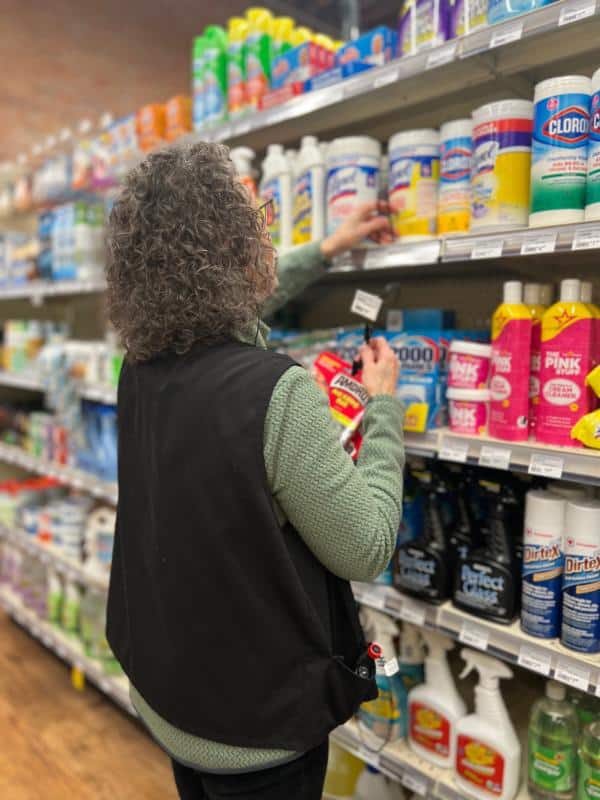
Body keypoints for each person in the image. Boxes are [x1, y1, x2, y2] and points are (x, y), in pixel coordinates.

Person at [105, 141, 404, 800]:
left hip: (172, 697)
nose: (267, 230)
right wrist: (384, 413)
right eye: (255, 222)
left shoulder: (139, 365)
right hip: (259, 729)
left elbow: (223, 316)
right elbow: (366, 546)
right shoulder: (277, 394)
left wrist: (325, 250)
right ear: (236, 250)